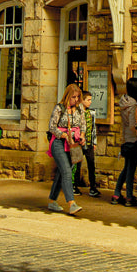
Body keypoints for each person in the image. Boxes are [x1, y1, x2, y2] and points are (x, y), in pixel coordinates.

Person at [47, 83, 86, 215]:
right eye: (73, 97)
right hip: (58, 143)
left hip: (72, 144)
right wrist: (63, 134)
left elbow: (83, 125)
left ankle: (52, 201)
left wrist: (82, 136)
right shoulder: (59, 108)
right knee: (67, 171)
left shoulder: (80, 109)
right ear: (67, 96)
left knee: (61, 173)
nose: (75, 99)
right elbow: (52, 127)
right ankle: (71, 203)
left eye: (78, 97)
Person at [112, 77, 137, 206]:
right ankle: (129, 198)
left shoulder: (124, 101)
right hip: (133, 139)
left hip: (125, 139)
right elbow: (132, 124)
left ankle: (116, 194)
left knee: (126, 169)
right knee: (130, 170)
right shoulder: (134, 104)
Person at [73, 89, 100, 197]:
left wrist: (94, 142)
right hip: (79, 143)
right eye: (88, 100)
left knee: (91, 164)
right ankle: (74, 185)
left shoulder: (91, 113)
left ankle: (93, 187)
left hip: (88, 142)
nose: (90, 102)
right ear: (82, 100)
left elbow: (93, 128)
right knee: (77, 165)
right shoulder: (76, 112)